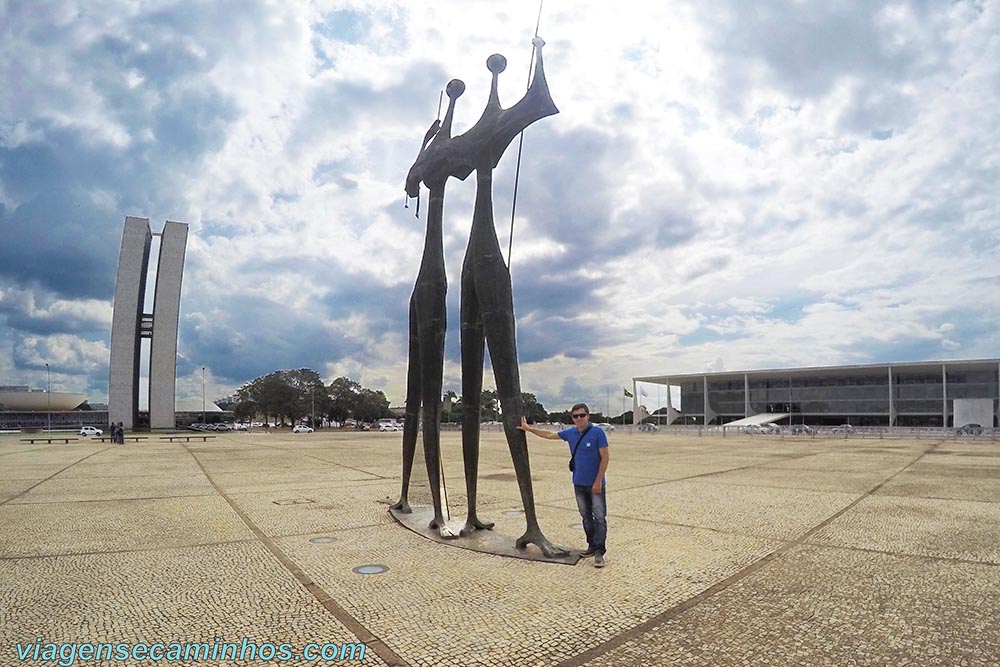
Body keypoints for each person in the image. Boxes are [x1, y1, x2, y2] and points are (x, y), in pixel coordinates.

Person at [519, 403, 610, 567]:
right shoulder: (571, 433)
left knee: (600, 517)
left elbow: (605, 458)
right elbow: (549, 435)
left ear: (588, 416)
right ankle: (591, 545)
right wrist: (528, 428)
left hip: (595, 484)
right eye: (576, 416)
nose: (579, 419)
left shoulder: (598, 433)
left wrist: (598, 481)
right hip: (579, 483)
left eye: (582, 415)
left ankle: (599, 552)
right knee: (586, 517)